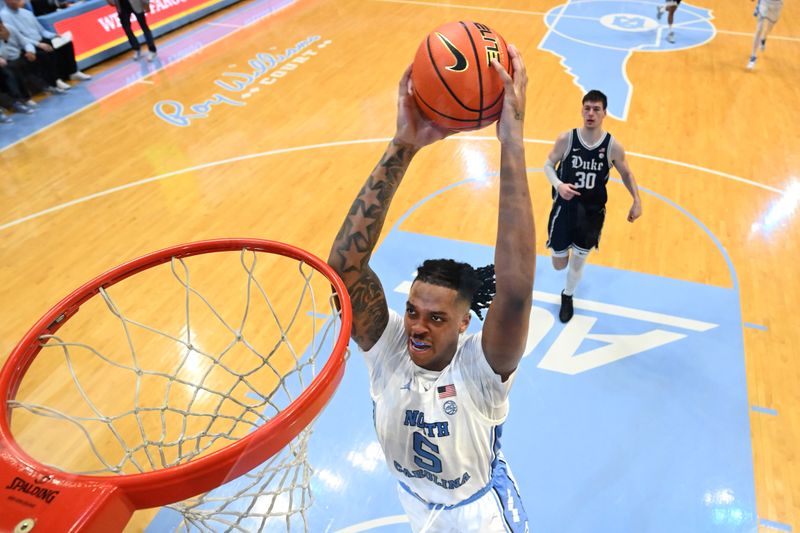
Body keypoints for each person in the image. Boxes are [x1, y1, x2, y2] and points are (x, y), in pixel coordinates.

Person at [327, 46, 533, 531]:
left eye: (436, 318)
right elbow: (344, 269)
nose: (418, 327)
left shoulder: (482, 372)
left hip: (480, 518)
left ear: (465, 323)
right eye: (414, 311)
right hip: (417, 505)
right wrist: (404, 144)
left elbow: (517, 289)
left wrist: (512, 142)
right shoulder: (391, 349)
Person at [543, 90, 642, 323]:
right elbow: (548, 164)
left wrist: (636, 200)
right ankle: (563, 266)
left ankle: (567, 295)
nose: (591, 113)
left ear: (604, 113)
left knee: (577, 262)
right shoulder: (566, 139)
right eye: (587, 108)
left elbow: (626, 172)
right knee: (559, 264)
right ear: (581, 110)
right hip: (564, 210)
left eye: (596, 109)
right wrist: (558, 185)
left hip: (591, 214)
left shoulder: (612, 146)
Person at [1, 0, 90, 91]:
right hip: (28, 45)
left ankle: (73, 72)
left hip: (40, 40)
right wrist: (38, 44)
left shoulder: (27, 13)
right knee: (46, 52)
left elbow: (42, 31)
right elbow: (20, 38)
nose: (21, 1)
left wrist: (54, 35)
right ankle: (55, 80)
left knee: (65, 42)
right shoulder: (4, 16)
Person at [747, 0, 784, 70]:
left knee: (769, 28)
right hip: (765, 3)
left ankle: (763, 38)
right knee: (759, 29)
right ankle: (753, 57)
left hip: (777, 5)